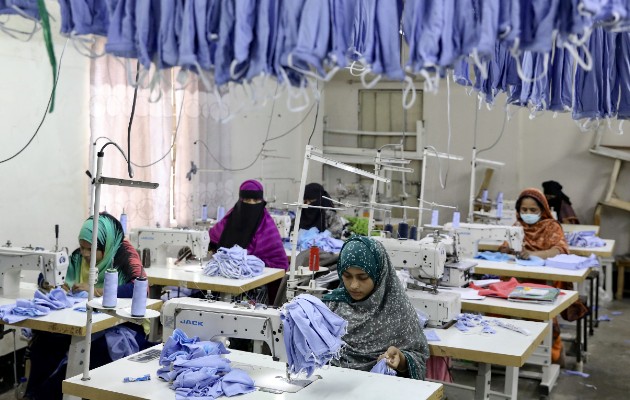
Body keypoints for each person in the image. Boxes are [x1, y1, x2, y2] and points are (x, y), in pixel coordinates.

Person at [26, 213, 148, 400]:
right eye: (82, 247)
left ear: (105, 245)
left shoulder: (126, 258)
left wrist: (95, 290)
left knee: (91, 352)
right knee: (43, 340)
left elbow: (136, 289)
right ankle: (34, 394)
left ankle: (49, 394)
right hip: (83, 322)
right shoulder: (78, 257)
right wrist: (52, 284)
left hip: (122, 325)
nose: (84, 254)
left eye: (89, 249)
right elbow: (50, 275)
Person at [323, 236, 429, 379]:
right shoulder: (332, 306)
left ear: (379, 273)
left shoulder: (398, 311)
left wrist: (401, 360)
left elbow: (419, 359)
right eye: (347, 276)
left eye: (363, 277)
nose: (353, 285)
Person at [209, 179, 288, 271]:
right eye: (247, 200)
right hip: (223, 275)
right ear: (240, 200)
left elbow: (280, 263)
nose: (251, 204)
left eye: (256, 200)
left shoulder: (267, 228)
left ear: (262, 201)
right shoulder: (227, 222)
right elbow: (210, 241)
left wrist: (252, 264)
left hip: (257, 279)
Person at [499, 187, 569, 260]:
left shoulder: (551, 227)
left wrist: (532, 254)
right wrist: (508, 249)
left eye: (533, 210)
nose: (528, 213)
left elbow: (560, 250)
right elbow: (505, 248)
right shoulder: (518, 226)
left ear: (542, 210)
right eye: (524, 209)